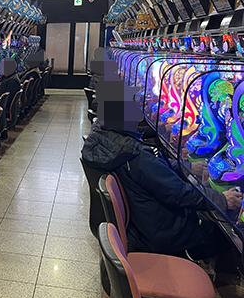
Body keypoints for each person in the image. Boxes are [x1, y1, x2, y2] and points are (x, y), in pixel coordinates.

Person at [81, 76, 238, 260]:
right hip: (163, 233)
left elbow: (155, 168)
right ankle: (190, 260)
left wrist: (187, 166)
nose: (139, 113)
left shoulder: (108, 138)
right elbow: (178, 193)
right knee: (228, 235)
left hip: (142, 224)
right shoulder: (136, 155)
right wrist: (221, 199)